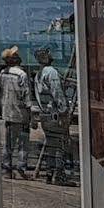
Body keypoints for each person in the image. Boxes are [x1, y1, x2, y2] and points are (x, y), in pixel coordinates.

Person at [35, 47, 71, 183]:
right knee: (58, 145)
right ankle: (58, 175)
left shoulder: (39, 74)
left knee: (51, 145)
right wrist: (64, 110)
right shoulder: (51, 72)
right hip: (54, 113)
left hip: (44, 113)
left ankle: (50, 173)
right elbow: (57, 94)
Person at [0, 46, 31, 175]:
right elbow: (26, 95)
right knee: (23, 143)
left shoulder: (3, 73)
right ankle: (21, 167)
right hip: (20, 113)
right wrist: (30, 115)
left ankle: (7, 166)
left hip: (7, 112)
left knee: (8, 143)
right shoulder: (21, 74)